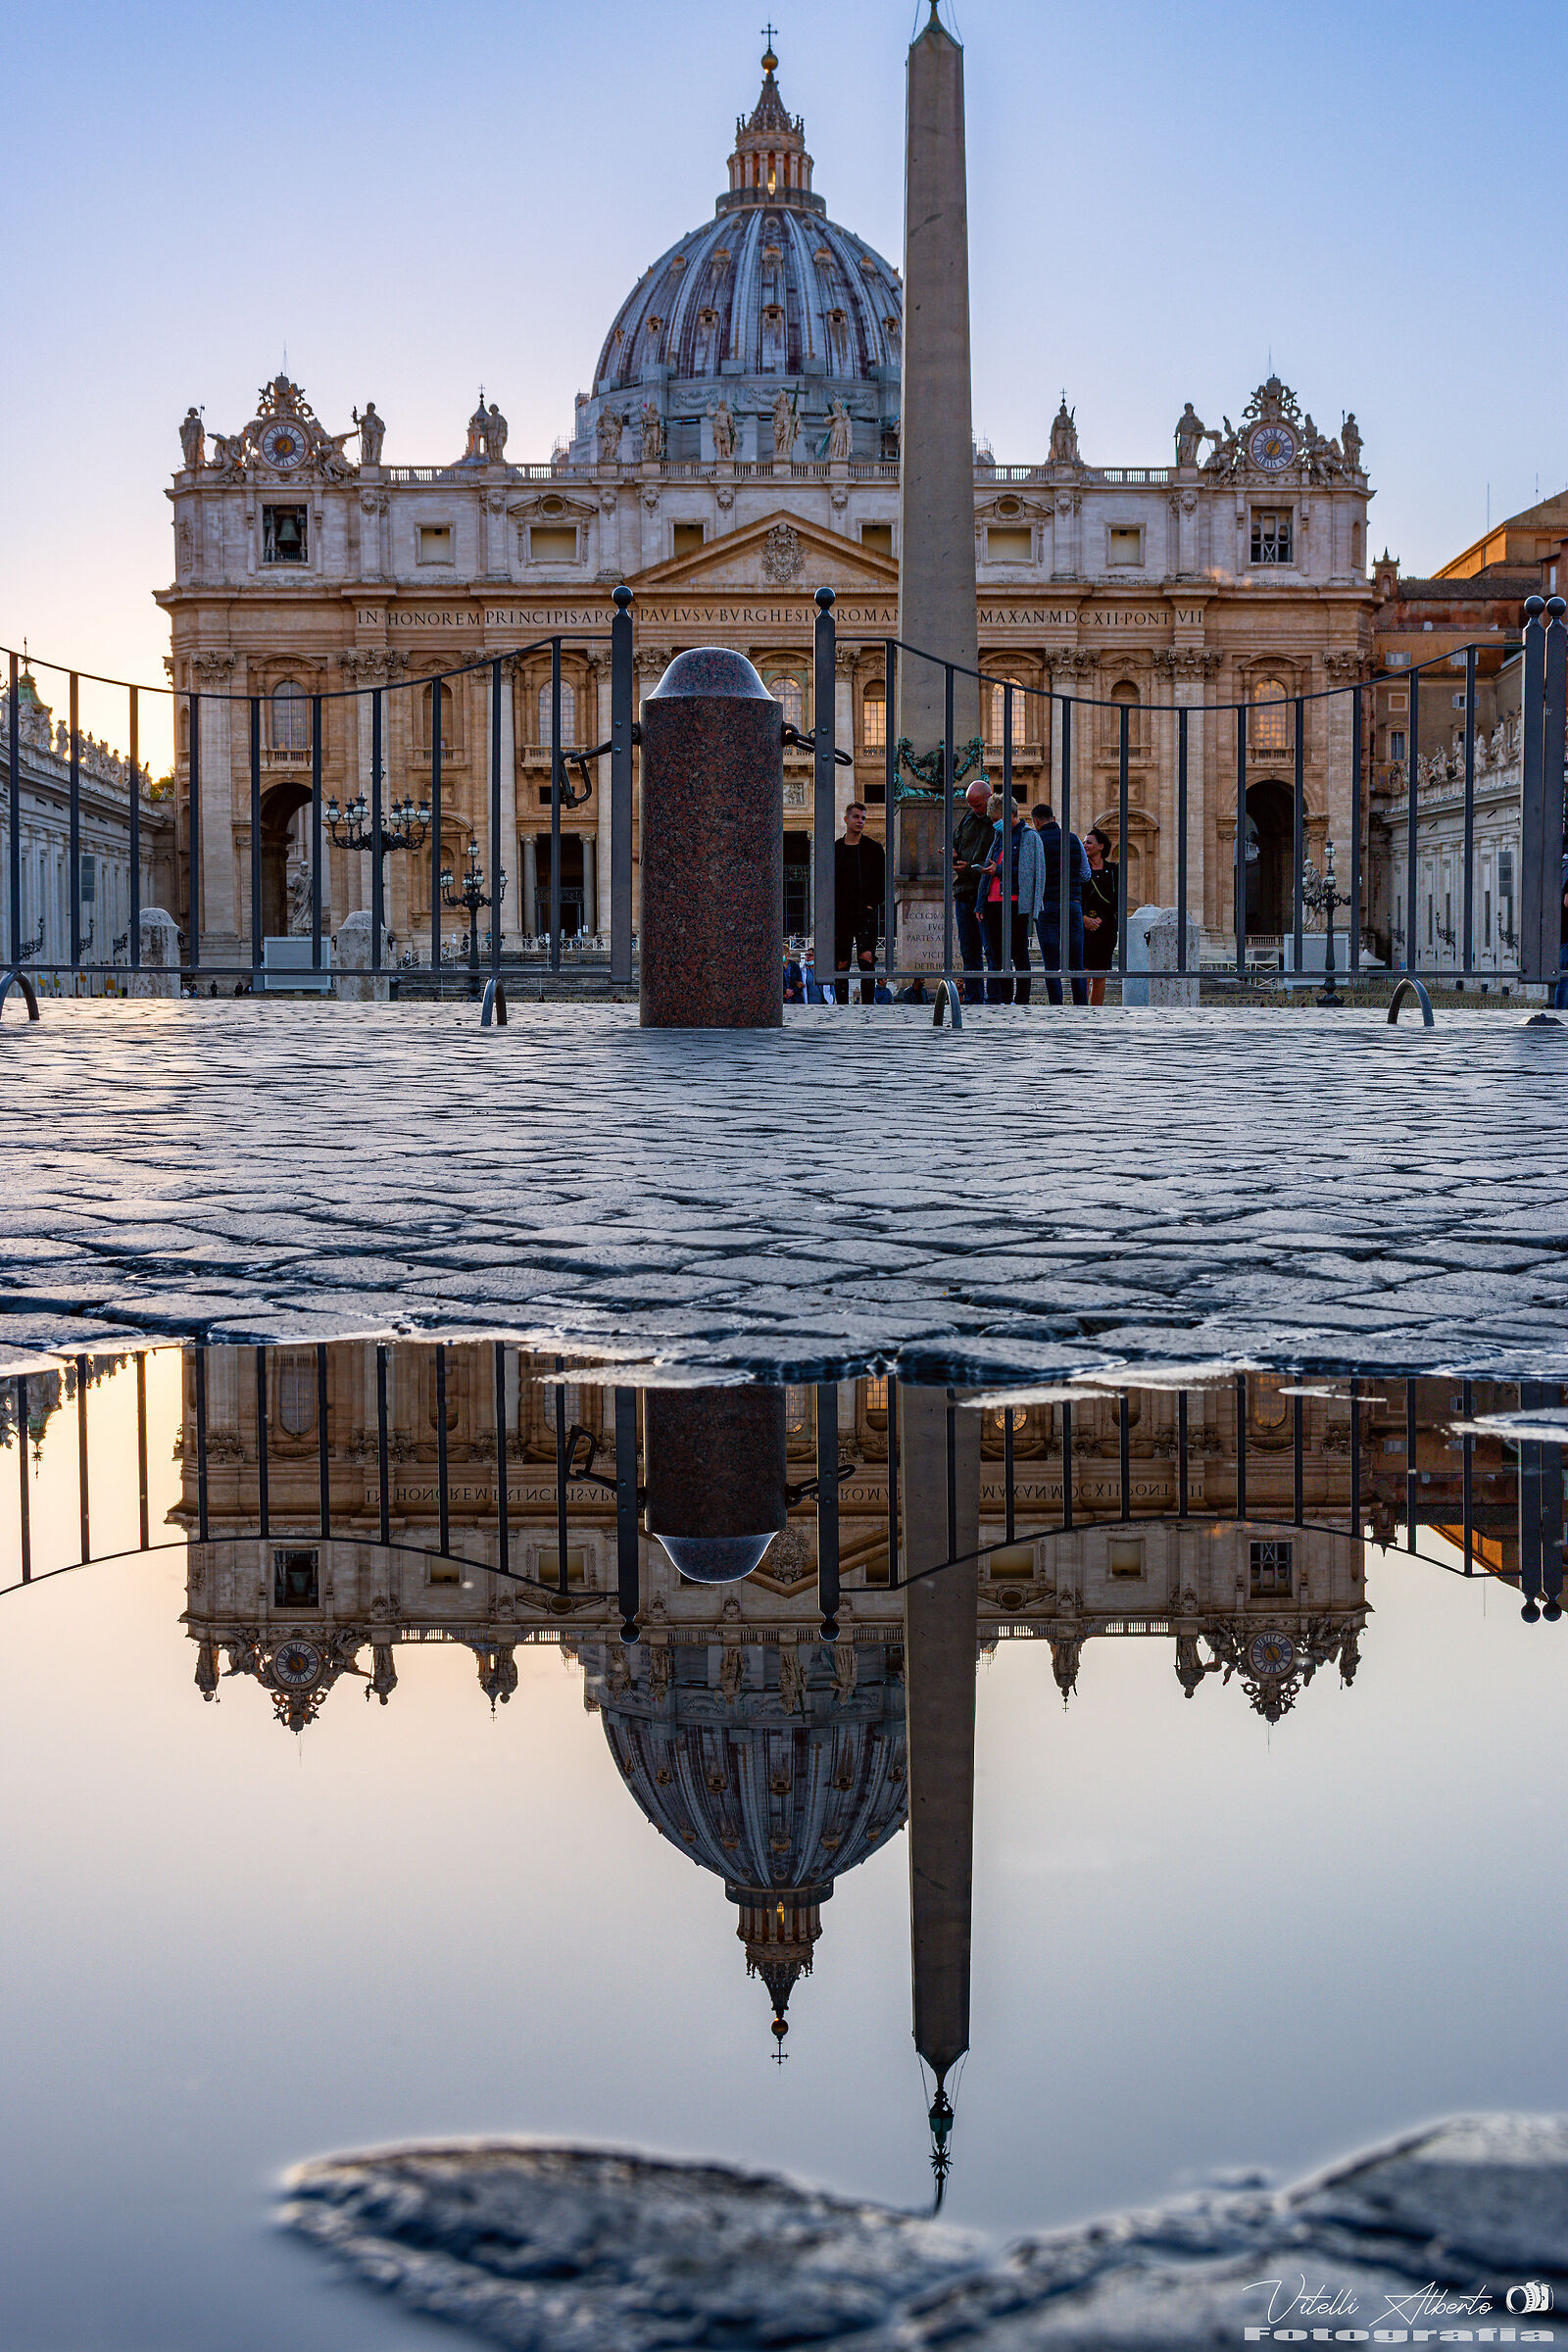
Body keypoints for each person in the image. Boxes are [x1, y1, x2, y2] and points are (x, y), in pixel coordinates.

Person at [978, 792, 1043, 1004]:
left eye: (997, 819)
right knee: (998, 954)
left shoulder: (1028, 837)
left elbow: (1028, 872)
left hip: (1015, 902)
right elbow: (989, 869)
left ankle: (1022, 998)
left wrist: (999, 870)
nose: (994, 824)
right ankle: (1004, 997)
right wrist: (980, 903)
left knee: (1019, 952)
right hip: (993, 902)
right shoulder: (999, 837)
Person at [1031, 801, 1089, 1006]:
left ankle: (1056, 1005)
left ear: (1035, 821)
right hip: (1072, 904)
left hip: (1046, 905)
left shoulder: (1036, 841)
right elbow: (1086, 874)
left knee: (1051, 964)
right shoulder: (1073, 839)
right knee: (1076, 962)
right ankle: (1081, 1005)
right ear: (1054, 819)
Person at [834, 803, 885, 1003]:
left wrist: (872, 904)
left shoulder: (874, 849)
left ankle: (867, 1006)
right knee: (841, 962)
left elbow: (882, 880)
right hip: (841, 913)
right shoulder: (835, 849)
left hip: (865, 912)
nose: (860, 821)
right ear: (846, 819)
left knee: (867, 958)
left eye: (863, 818)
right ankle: (841, 1006)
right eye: (856, 817)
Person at [953, 776, 995, 1004]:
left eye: (978, 805)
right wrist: (953, 854)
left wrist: (969, 867)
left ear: (989, 798)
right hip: (964, 891)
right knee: (968, 950)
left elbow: (995, 861)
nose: (975, 809)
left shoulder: (997, 823)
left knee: (991, 949)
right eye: (971, 805)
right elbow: (957, 843)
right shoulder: (968, 818)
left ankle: (995, 996)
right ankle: (974, 996)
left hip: (986, 893)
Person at [1081, 825, 1119, 1007]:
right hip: (1083, 925)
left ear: (1101, 846)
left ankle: (1096, 1011)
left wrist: (1102, 918)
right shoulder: (1080, 870)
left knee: (1100, 974)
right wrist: (1084, 919)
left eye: (1089, 842)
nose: (1085, 845)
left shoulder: (1113, 870)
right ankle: (1081, 1010)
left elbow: (1117, 899)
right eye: (1084, 843)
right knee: (1083, 972)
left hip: (1105, 928)